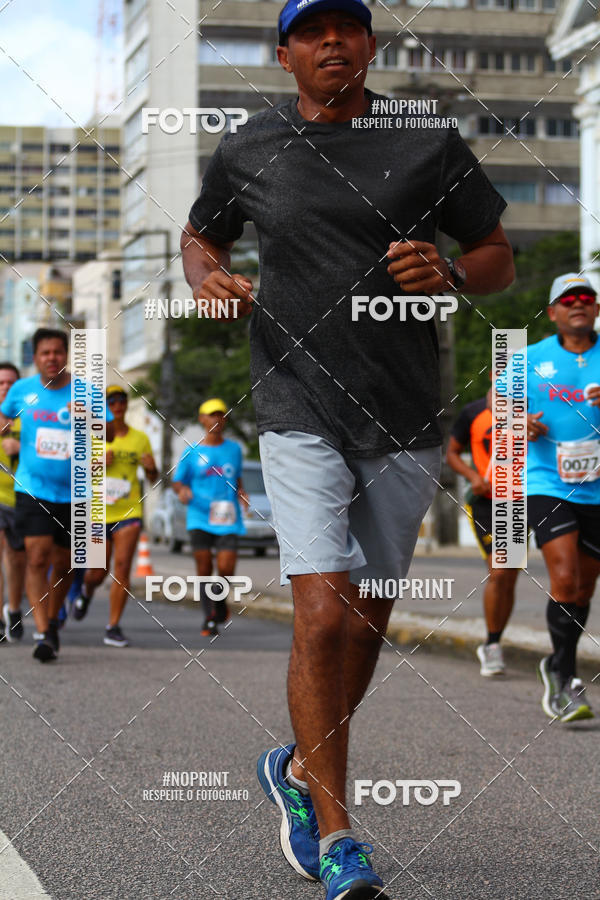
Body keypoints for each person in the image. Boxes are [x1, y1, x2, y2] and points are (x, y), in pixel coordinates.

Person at [180, 0, 514, 893]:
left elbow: (496, 253)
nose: (333, 41)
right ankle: (337, 838)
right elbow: (201, 235)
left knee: (365, 625)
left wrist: (451, 270)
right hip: (296, 401)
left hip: (403, 413)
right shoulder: (250, 146)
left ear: (369, 44)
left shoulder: (426, 139)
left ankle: (295, 768)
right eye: (313, 30)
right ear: (284, 53)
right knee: (323, 615)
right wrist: (207, 276)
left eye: (349, 27)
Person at [0, 328, 113, 663]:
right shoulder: (21, 390)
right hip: (31, 488)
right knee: (36, 557)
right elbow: (5, 415)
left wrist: (89, 418)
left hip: (76, 491)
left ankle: (51, 620)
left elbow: (109, 431)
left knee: (65, 563)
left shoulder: (87, 392)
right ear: (35, 357)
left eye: (57, 352)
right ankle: (43, 632)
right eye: (45, 353)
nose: (52, 358)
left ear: (66, 355)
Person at [526, 273, 600, 722]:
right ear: (553, 312)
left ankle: (557, 661)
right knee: (566, 577)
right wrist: (519, 421)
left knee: (585, 587)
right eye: (568, 299)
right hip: (547, 483)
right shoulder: (530, 358)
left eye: (586, 297)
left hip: (597, 488)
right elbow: (498, 402)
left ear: (596, 308)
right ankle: (567, 680)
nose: (578, 303)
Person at [71, 385, 157, 647]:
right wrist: (96, 464)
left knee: (122, 568)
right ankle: (86, 592)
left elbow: (152, 477)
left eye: (121, 400)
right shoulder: (92, 436)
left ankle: (113, 626)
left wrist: (152, 469)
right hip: (98, 512)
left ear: (126, 405)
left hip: (129, 511)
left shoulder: (140, 438)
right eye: (112, 401)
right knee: (98, 572)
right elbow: (74, 472)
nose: (117, 405)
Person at [447, 385, 521, 676]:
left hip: (520, 502)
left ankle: (494, 640)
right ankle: (491, 646)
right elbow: (452, 453)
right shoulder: (473, 412)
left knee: (509, 576)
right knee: (499, 572)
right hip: (486, 502)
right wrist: (472, 476)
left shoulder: (531, 408)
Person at [172, 398, 247, 637]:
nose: (216, 419)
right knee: (204, 567)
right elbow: (177, 481)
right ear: (202, 419)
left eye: (220, 415)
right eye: (211, 415)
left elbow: (237, 478)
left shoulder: (234, 449)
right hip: (199, 515)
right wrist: (182, 491)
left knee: (226, 567)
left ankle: (219, 601)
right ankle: (209, 617)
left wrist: (242, 493)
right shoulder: (191, 452)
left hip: (227, 516)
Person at [0, 362, 26, 643]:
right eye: (0, 383)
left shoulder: (29, 416)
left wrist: (21, 446)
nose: (5, 387)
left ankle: (15, 609)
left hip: (23, 498)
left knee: (17, 560)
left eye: (10, 382)